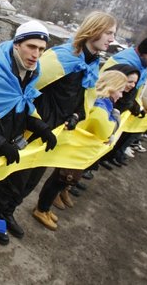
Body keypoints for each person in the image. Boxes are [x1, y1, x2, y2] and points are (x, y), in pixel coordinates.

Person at [16, 11, 117, 214]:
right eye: (109, 33)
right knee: (17, 177)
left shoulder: (92, 64)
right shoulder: (63, 56)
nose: (112, 39)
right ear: (94, 29)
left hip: (56, 132)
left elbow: (84, 99)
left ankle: (8, 213)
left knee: (32, 179)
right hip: (35, 126)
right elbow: (28, 87)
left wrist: (77, 115)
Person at [0, 20, 57, 245]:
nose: (36, 54)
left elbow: (22, 105)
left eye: (41, 49)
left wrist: (42, 128)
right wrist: (0, 144)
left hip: (7, 147)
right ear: (17, 44)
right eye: (31, 46)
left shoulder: (31, 72)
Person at [33, 69, 128, 230]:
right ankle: (41, 209)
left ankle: (45, 207)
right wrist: (116, 118)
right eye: (120, 90)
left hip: (77, 149)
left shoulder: (103, 102)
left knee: (60, 179)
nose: (121, 95)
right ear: (112, 87)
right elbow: (104, 129)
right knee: (60, 179)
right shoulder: (101, 104)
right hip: (75, 149)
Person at [99, 36, 147, 167]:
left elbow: (138, 86)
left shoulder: (142, 63)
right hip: (109, 106)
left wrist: (134, 103)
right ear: (145, 51)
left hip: (119, 106)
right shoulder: (126, 62)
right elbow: (109, 88)